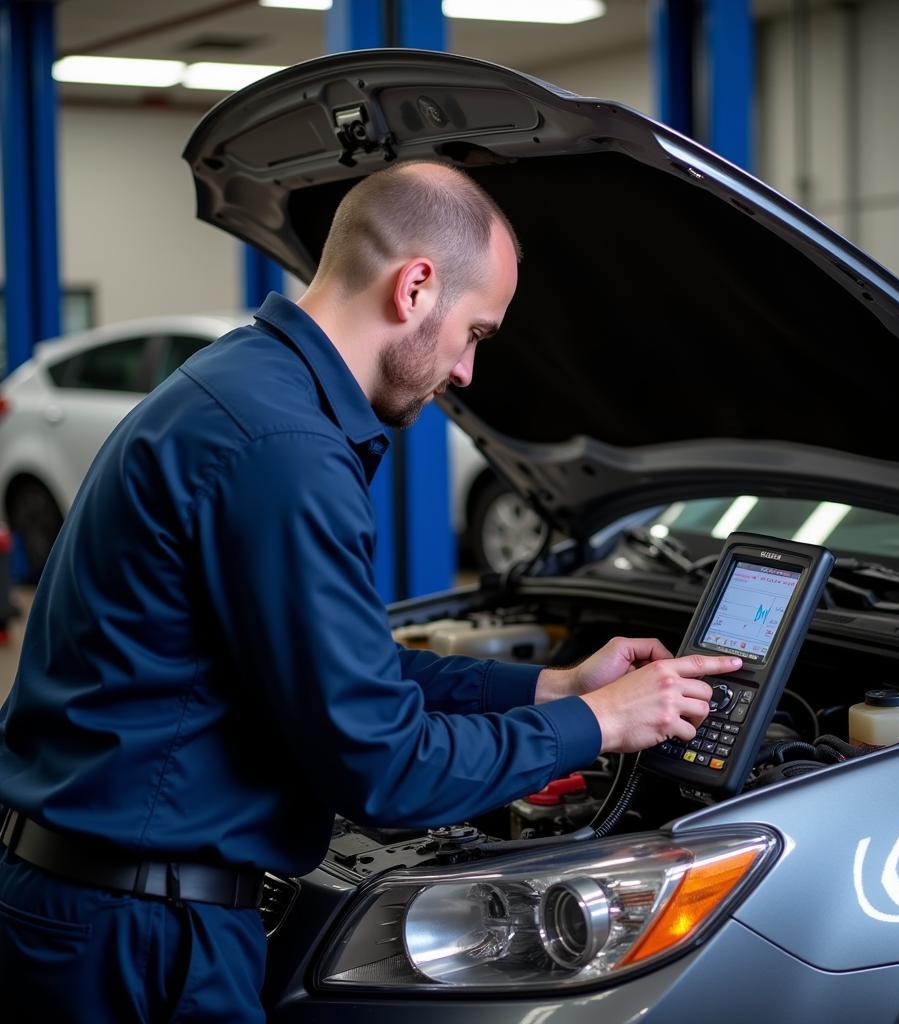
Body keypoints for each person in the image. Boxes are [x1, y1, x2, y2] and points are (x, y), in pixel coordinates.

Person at [0, 161, 737, 1021]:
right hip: (140, 938)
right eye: (477, 332)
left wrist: (553, 687)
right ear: (417, 286)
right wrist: (599, 725)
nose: (466, 372)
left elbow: (345, 671)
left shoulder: (243, 385)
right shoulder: (284, 448)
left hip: (93, 903)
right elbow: (382, 768)